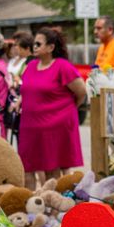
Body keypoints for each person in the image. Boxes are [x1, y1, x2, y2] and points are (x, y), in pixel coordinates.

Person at [18, 26, 88, 179]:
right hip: (30, 126)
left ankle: (56, 200)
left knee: (53, 170)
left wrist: (70, 108)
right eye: (34, 43)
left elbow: (81, 91)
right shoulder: (30, 66)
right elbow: (30, 89)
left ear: (50, 47)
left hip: (55, 124)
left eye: (38, 44)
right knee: (27, 168)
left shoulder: (62, 67)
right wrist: (20, 102)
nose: (34, 47)